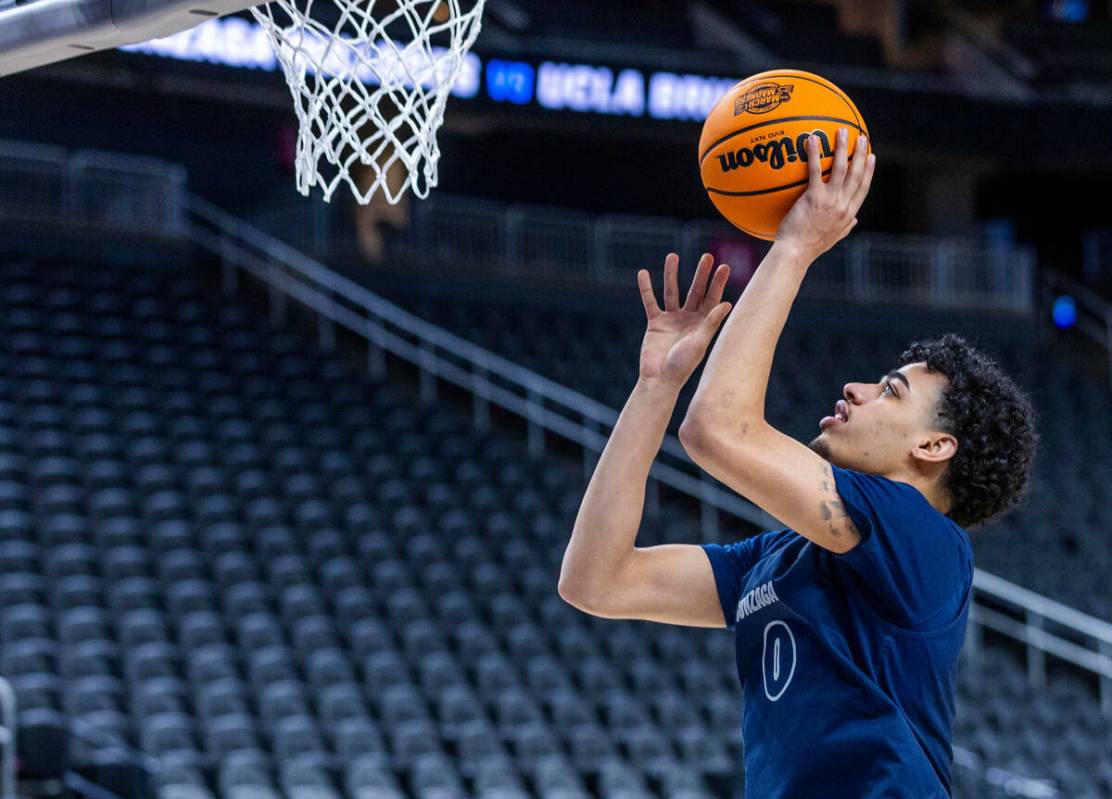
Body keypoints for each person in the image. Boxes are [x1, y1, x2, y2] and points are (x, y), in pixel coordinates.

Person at [558, 128, 1039, 798]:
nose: (856, 388)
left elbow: (717, 430)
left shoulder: (922, 538)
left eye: (891, 389)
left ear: (934, 448)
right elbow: (596, 580)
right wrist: (655, 386)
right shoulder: (780, 555)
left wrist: (795, 245)